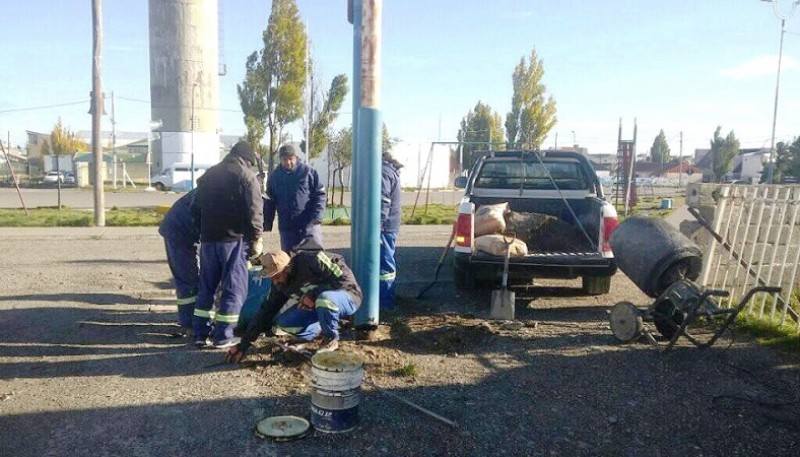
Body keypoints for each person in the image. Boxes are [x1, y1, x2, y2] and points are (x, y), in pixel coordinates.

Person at [224, 244, 362, 363]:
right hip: (319, 306)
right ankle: (317, 331)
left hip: (348, 297)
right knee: (284, 323)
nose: (275, 281)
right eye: (271, 277)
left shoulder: (313, 260)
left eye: (276, 276)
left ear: (287, 268)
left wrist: (313, 295)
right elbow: (265, 312)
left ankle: (331, 339)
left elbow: (344, 280)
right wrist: (243, 345)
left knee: (324, 299)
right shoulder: (280, 285)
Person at [190, 140, 264, 349]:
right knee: (234, 288)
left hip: (208, 241)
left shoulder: (208, 175)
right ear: (247, 159)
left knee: (207, 287)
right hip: (233, 240)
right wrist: (256, 237)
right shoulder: (246, 176)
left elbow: (194, 209)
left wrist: (203, 230)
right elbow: (254, 209)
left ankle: (200, 333)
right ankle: (223, 336)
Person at [264, 143, 326, 251]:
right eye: (284, 159)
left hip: (308, 226)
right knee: (289, 262)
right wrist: (267, 223)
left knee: (311, 260)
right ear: (280, 159)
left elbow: (320, 194)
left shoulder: (308, 172)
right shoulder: (275, 176)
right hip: (287, 229)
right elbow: (269, 201)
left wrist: (316, 217)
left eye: (290, 159)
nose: (288, 162)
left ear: (296, 158)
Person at [158, 189, 200, 336]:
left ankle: (192, 322)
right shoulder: (221, 194)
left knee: (191, 278)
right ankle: (189, 325)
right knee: (188, 280)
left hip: (181, 228)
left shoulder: (219, 185)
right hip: (179, 232)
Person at [380, 152, 403, 311]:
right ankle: (385, 301)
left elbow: (383, 200)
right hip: (389, 225)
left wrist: (379, 223)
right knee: (385, 262)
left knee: (385, 264)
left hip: (384, 227)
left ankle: (386, 303)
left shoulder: (382, 172)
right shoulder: (390, 171)